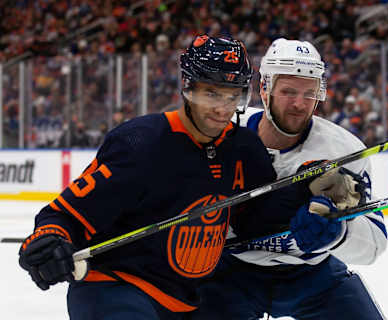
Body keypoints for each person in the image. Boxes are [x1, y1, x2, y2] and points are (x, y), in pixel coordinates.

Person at [17, 35, 299, 320]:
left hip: (190, 300)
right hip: (115, 288)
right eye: (211, 93)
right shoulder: (141, 143)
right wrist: (50, 239)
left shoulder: (243, 149)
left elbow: (261, 215)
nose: (222, 108)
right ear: (188, 86)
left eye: (232, 95)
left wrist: (310, 184)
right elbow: (65, 216)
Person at [192, 39, 388, 319]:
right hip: (231, 272)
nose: (299, 104)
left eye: (309, 93)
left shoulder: (341, 150)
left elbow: (375, 243)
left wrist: (339, 233)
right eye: (288, 92)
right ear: (264, 88)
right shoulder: (221, 136)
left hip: (312, 275)